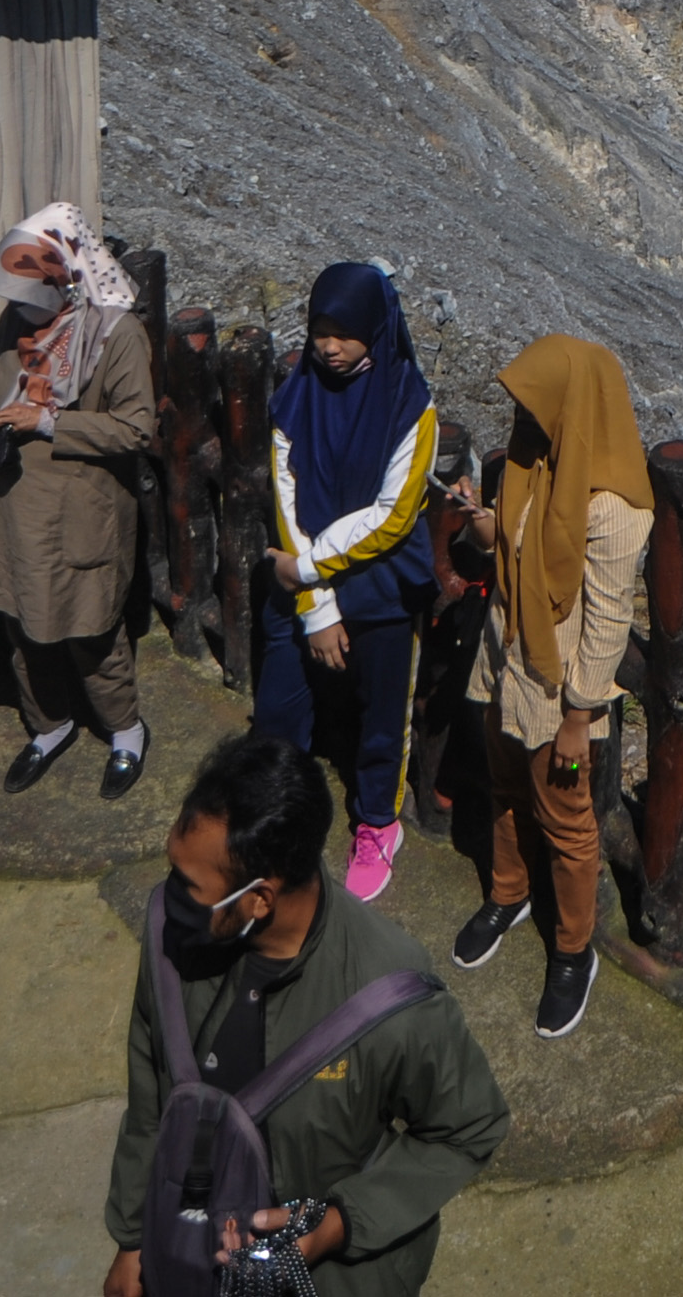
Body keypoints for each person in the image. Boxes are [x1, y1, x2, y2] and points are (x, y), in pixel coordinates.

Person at [104, 734, 507, 1297]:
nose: (169, 899)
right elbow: (149, 1092)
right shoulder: (172, 935)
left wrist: (339, 1225)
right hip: (192, 1260)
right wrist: (131, 1239)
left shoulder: (391, 997)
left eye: (191, 886)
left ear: (259, 901)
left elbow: (469, 1128)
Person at [446, 335, 655, 1039]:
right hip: (506, 660)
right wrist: (482, 523)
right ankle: (509, 893)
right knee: (504, 790)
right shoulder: (535, 461)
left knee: (567, 822)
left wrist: (577, 716)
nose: (523, 418)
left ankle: (573, 949)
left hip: (558, 688)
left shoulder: (614, 506)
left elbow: (607, 622)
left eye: (536, 405)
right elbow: (510, 548)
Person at [0, 204, 159, 800]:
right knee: (19, 621)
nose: (19, 307)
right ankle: (50, 723)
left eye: (31, 292)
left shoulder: (116, 334)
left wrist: (48, 423)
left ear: (67, 275)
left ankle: (125, 730)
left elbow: (136, 429)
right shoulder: (25, 309)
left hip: (76, 505)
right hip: (8, 498)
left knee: (89, 629)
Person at [260, 264, 441, 904]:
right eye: (319, 331)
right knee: (279, 714)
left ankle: (377, 823)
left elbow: (391, 518)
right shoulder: (295, 397)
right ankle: (277, 817)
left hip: (383, 588)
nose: (328, 346)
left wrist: (307, 572)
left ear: (375, 328)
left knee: (382, 720)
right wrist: (315, 606)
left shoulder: (411, 407)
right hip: (306, 583)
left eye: (343, 332)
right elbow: (286, 499)